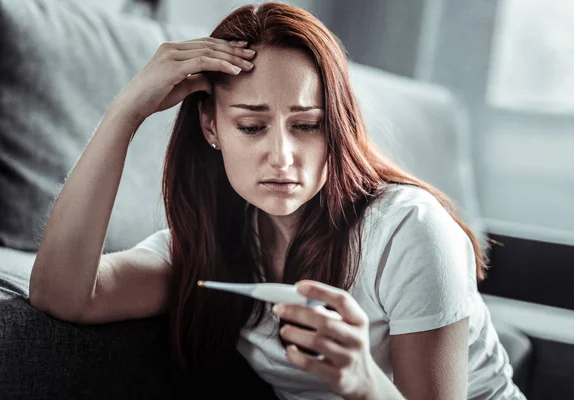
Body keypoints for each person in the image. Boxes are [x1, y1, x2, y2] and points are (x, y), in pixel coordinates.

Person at [29, 2, 527, 399]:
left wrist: (364, 383)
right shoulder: (208, 248)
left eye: (307, 126)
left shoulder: (410, 229)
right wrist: (126, 111)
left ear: (336, 128)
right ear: (212, 128)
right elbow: (64, 295)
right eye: (251, 126)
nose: (283, 156)